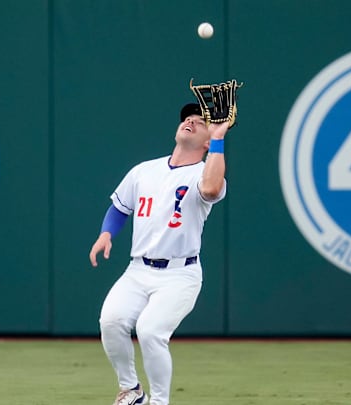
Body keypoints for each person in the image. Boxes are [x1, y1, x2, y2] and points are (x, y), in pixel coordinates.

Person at [88, 102, 229, 405]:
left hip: (180, 274)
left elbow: (213, 189)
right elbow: (120, 207)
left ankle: (160, 402)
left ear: (207, 142)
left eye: (199, 121)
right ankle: (132, 391)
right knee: (111, 321)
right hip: (138, 270)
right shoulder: (144, 170)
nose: (190, 121)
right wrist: (106, 233)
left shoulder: (204, 172)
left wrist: (218, 137)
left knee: (150, 331)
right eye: (187, 118)